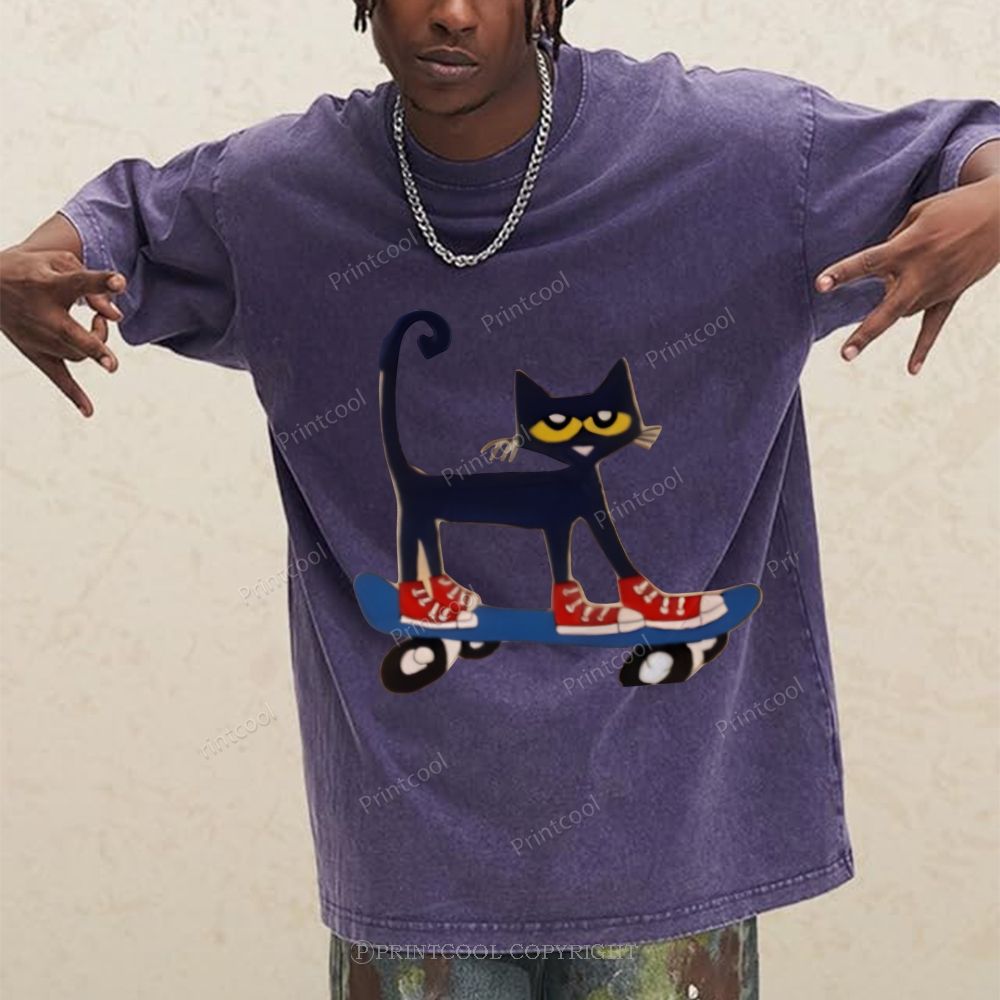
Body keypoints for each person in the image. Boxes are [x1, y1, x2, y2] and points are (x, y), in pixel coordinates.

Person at [2, 1, 997, 997]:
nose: (450, 12)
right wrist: (20, 273)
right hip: (413, 864)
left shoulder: (739, 154)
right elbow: (119, 221)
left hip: (666, 859)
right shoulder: (276, 195)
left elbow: (961, 147)